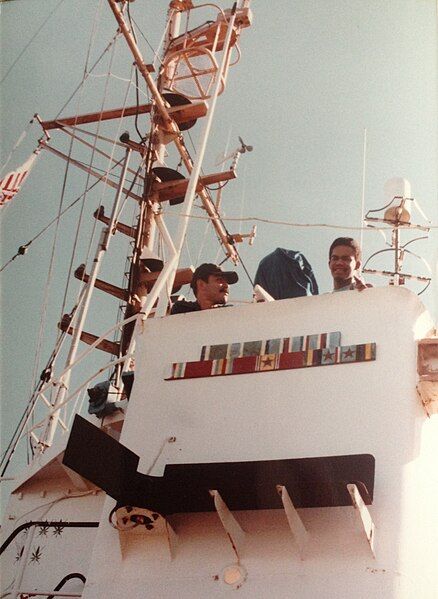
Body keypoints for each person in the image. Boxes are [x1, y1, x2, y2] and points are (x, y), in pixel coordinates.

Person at [170, 263, 238, 314]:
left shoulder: (230, 314)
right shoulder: (182, 310)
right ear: (201, 284)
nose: (226, 285)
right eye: (219, 280)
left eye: (227, 282)